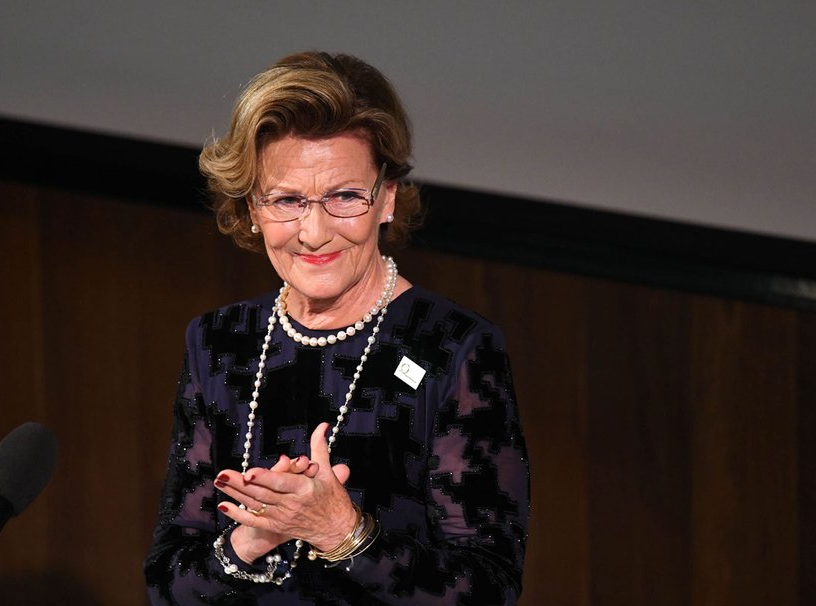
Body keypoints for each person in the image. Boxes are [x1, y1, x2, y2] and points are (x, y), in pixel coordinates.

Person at [145, 51, 529, 605]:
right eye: (287, 200)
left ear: (387, 198)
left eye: (344, 197)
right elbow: (168, 587)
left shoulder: (455, 349)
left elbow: (488, 592)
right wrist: (250, 540)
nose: (314, 232)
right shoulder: (219, 342)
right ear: (252, 207)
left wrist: (342, 533)